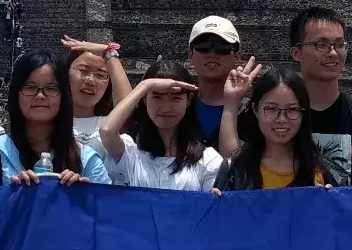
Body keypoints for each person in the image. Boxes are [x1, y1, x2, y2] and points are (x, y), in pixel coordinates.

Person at [0, 53, 111, 189]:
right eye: (30, 87)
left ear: (63, 96)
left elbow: (108, 207)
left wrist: (84, 198)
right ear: (16, 95)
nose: (40, 96)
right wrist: (14, 197)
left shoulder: (86, 160)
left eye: (51, 88)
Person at [97, 60, 222, 191]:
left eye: (176, 98)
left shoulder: (207, 160)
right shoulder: (130, 152)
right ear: (145, 99)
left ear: (188, 100)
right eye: (157, 97)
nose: (166, 108)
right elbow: (106, 131)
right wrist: (145, 84)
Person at [287, 7, 352, 183]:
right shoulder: (280, 114)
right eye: (322, 44)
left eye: (340, 44)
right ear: (297, 53)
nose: (333, 53)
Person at [214, 65, 334, 190]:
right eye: (271, 109)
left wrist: (334, 203)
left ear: (303, 112)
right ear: (255, 110)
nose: (281, 119)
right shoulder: (236, 170)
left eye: (292, 109)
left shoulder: (324, 172)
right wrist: (216, 204)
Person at [59, 36, 133, 148]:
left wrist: (109, 53)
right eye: (83, 70)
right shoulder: (48, 121)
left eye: (100, 75)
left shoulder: (108, 126)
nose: (90, 81)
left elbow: (127, 106)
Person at [186, 15, 243, 138]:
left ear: (236, 57)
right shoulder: (176, 104)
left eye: (222, 46)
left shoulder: (251, 111)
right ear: (190, 56)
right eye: (203, 46)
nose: (212, 54)